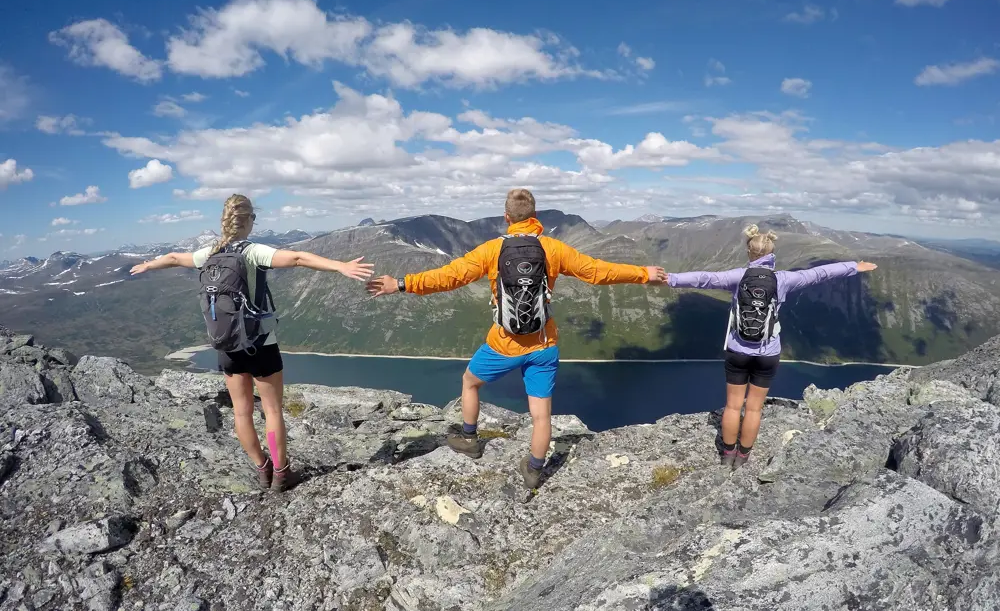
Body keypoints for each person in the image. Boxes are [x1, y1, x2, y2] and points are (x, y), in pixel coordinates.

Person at [366, 188, 668, 488]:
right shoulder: (553, 248)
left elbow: (448, 276)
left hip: (503, 344)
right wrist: (644, 273)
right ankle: (535, 469)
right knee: (541, 415)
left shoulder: (491, 250)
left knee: (470, 382)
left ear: (507, 217)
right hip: (544, 344)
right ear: (536, 216)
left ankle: (469, 438)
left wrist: (402, 284)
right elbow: (598, 272)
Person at [129, 194, 373, 491]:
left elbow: (172, 258)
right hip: (260, 343)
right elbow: (297, 258)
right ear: (250, 221)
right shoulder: (253, 252)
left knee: (241, 411)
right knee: (272, 411)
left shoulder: (208, 254)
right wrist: (339, 266)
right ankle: (282, 474)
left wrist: (149, 265)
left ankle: (262, 468)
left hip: (226, 344)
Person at [666, 224, 877, 470]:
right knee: (754, 408)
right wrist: (853, 267)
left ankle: (727, 454)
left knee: (733, 405)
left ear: (749, 251)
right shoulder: (784, 279)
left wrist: (669, 279)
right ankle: (743, 458)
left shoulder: (738, 277)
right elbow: (819, 274)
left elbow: (704, 279)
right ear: (771, 253)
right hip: (768, 353)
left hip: (738, 350)